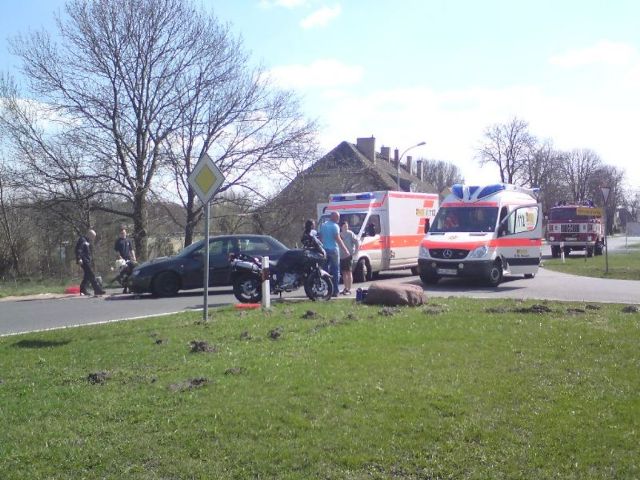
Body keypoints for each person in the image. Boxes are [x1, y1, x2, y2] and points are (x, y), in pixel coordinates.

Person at [318, 211, 349, 297]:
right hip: (333, 250)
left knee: (324, 271)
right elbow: (337, 239)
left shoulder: (323, 225)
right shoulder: (335, 226)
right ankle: (335, 290)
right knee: (335, 271)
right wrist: (345, 249)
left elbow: (320, 238)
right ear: (334, 217)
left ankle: (326, 289)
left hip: (324, 250)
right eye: (338, 217)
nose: (339, 219)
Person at [75, 229, 105, 296]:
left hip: (87, 260)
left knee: (87, 276)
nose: (93, 238)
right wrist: (79, 258)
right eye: (93, 236)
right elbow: (78, 249)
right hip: (83, 260)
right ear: (89, 234)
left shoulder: (87, 241)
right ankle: (97, 290)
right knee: (91, 275)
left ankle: (83, 290)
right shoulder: (82, 240)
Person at [339, 220, 359, 295]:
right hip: (341, 256)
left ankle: (349, 288)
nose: (346, 227)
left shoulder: (350, 233)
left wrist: (356, 251)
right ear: (341, 227)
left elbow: (356, 242)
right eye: (344, 226)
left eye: (347, 226)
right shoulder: (339, 234)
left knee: (349, 271)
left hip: (349, 255)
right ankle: (346, 287)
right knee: (344, 272)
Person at [114, 227, 136, 293]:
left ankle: (129, 288)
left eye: (124, 233)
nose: (123, 234)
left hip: (128, 259)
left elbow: (131, 249)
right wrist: (120, 257)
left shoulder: (128, 240)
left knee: (130, 273)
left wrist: (134, 257)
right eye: (122, 233)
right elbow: (117, 251)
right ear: (120, 234)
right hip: (122, 261)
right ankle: (124, 286)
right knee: (124, 274)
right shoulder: (118, 241)